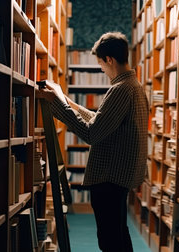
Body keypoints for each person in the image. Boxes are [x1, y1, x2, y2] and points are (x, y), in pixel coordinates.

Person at [36, 31, 148, 252]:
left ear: (109, 60)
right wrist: (71, 104)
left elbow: (92, 134)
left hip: (110, 175)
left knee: (110, 238)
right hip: (120, 174)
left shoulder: (120, 89)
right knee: (118, 233)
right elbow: (104, 122)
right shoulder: (134, 86)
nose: (102, 70)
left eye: (101, 64)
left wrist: (56, 105)